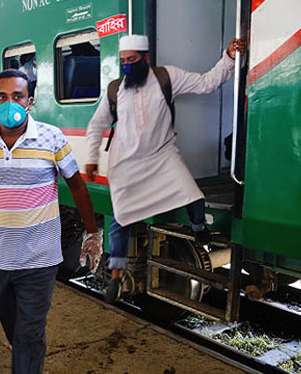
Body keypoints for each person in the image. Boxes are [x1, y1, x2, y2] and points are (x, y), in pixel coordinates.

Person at [0, 69, 102, 374]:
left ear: (30, 101)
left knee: (28, 335)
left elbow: (77, 185)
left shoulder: (51, 137)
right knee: (16, 333)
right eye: (3, 97)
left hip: (40, 261)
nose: (10, 103)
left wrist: (91, 232)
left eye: (17, 96)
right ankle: (31, 372)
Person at [85, 34, 245, 303]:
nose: (127, 66)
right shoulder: (115, 89)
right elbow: (97, 124)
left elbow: (207, 83)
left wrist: (228, 57)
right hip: (125, 163)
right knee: (120, 219)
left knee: (192, 195)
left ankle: (198, 228)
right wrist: (91, 158)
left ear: (145, 58)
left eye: (132, 60)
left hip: (161, 156)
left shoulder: (166, 77)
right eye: (123, 61)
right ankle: (115, 276)